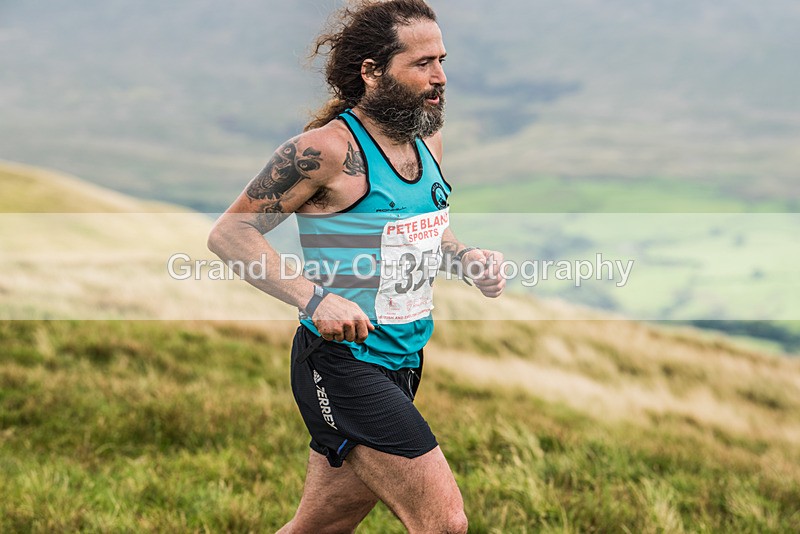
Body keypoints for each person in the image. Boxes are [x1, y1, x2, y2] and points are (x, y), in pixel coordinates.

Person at [208, 1, 505, 532]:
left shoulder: (426, 137)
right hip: (342, 364)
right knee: (444, 524)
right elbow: (231, 234)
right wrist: (313, 299)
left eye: (442, 60)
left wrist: (466, 258)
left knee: (319, 526)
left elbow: (424, 231)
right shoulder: (323, 151)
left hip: (404, 359)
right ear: (371, 72)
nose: (440, 77)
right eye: (422, 64)